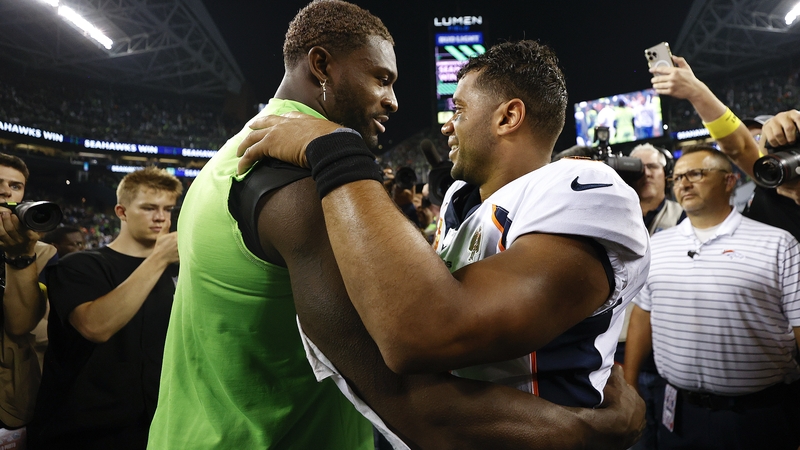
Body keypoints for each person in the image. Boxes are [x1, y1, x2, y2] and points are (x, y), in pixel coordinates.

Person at [149, 4, 646, 449]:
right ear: (321, 66)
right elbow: (412, 388)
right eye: (381, 79)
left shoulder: (229, 160)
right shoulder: (304, 183)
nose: (393, 101)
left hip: (198, 426)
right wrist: (589, 430)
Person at [624, 146, 800, 449]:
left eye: (696, 173)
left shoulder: (777, 244)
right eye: (677, 178)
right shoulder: (657, 244)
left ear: (730, 181)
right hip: (678, 410)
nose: (684, 184)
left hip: (758, 413)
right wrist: (630, 383)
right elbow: (644, 313)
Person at [28, 167, 181, 449]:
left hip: (157, 425)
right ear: (121, 212)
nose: (161, 217)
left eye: (167, 209)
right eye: (149, 208)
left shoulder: (181, 270)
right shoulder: (79, 265)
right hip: (84, 431)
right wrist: (158, 259)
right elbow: (95, 326)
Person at [649, 56, 800, 239]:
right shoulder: (770, 181)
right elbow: (740, 148)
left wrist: (697, 91)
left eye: (761, 137)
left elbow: (740, 147)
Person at [618, 144, 684, 450]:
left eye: (653, 167)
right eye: (637, 167)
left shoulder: (686, 218)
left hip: (672, 351)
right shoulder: (609, 218)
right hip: (617, 352)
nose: (645, 173)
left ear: (667, 175)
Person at [0, 153, 57, 430]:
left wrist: (21, 255)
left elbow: (20, 324)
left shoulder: (43, 253)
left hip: (9, 397)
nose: (5, 191)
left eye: (15, 185)